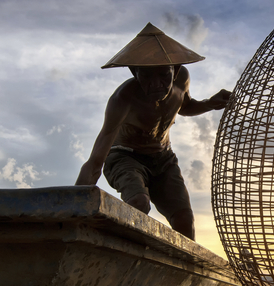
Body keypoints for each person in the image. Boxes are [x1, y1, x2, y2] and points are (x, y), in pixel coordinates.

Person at [75, 23, 230, 240]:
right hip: (124, 156)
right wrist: (73, 205)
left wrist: (210, 103)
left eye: (163, 75)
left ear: (175, 70)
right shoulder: (123, 98)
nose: (156, 84)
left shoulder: (181, 79)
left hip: (163, 158)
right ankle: (128, 255)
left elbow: (184, 106)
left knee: (184, 219)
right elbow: (96, 159)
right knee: (138, 203)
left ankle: (183, 271)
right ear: (134, 73)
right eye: (146, 76)